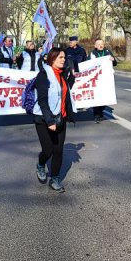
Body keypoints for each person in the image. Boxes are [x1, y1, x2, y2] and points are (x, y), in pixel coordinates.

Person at [32, 48, 75, 193]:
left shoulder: (63, 75)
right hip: (44, 119)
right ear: (52, 59)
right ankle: (40, 164)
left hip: (60, 118)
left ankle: (55, 178)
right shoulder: (43, 75)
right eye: (60, 57)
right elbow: (43, 101)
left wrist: (72, 78)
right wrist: (50, 121)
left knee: (58, 151)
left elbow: (63, 94)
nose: (63, 59)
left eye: (64, 57)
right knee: (48, 151)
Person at [90, 38, 118, 123]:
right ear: (95, 46)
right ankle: (97, 115)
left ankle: (100, 112)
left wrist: (113, 60)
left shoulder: (107, 52)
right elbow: (88, 64)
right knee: (97, 97)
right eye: (98, 44)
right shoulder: (92, 54)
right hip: (97, 78)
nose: (101, 45)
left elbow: (115, 63)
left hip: (106, 78)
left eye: (102, 44)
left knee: (105, 97)